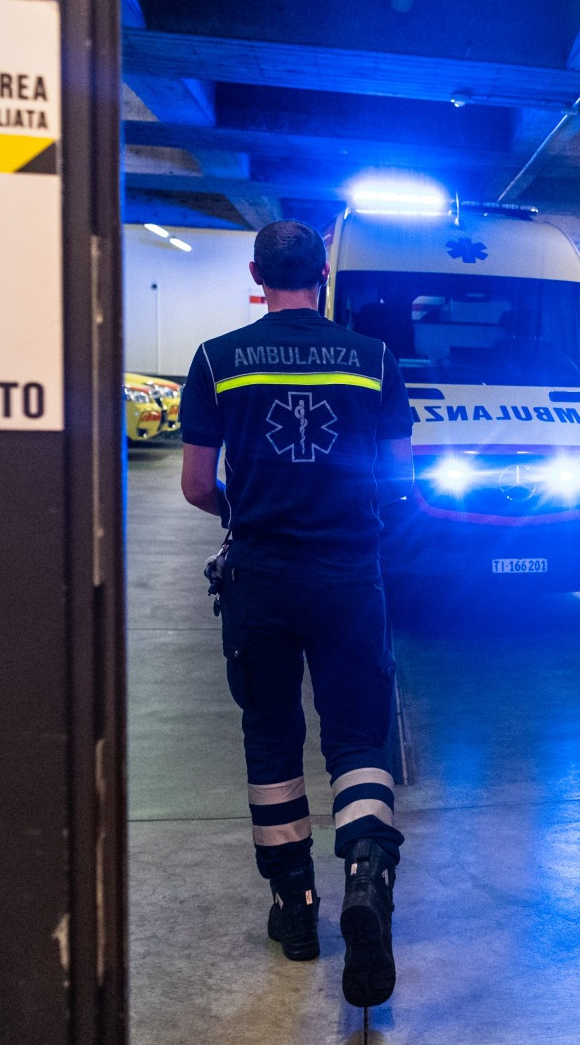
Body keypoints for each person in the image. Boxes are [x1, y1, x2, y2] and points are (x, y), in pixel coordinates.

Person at [177, 220, 418, 1009]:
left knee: (272, 735)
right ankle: (368, 878)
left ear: (257, 273)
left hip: (262, 574)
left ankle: (296, 909)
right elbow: (398, 478)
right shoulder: (373, 359)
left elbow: (194, 484)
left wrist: (247, 509)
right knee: (358, 732)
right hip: (349, 575)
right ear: (322, 274)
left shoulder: (216, 359)